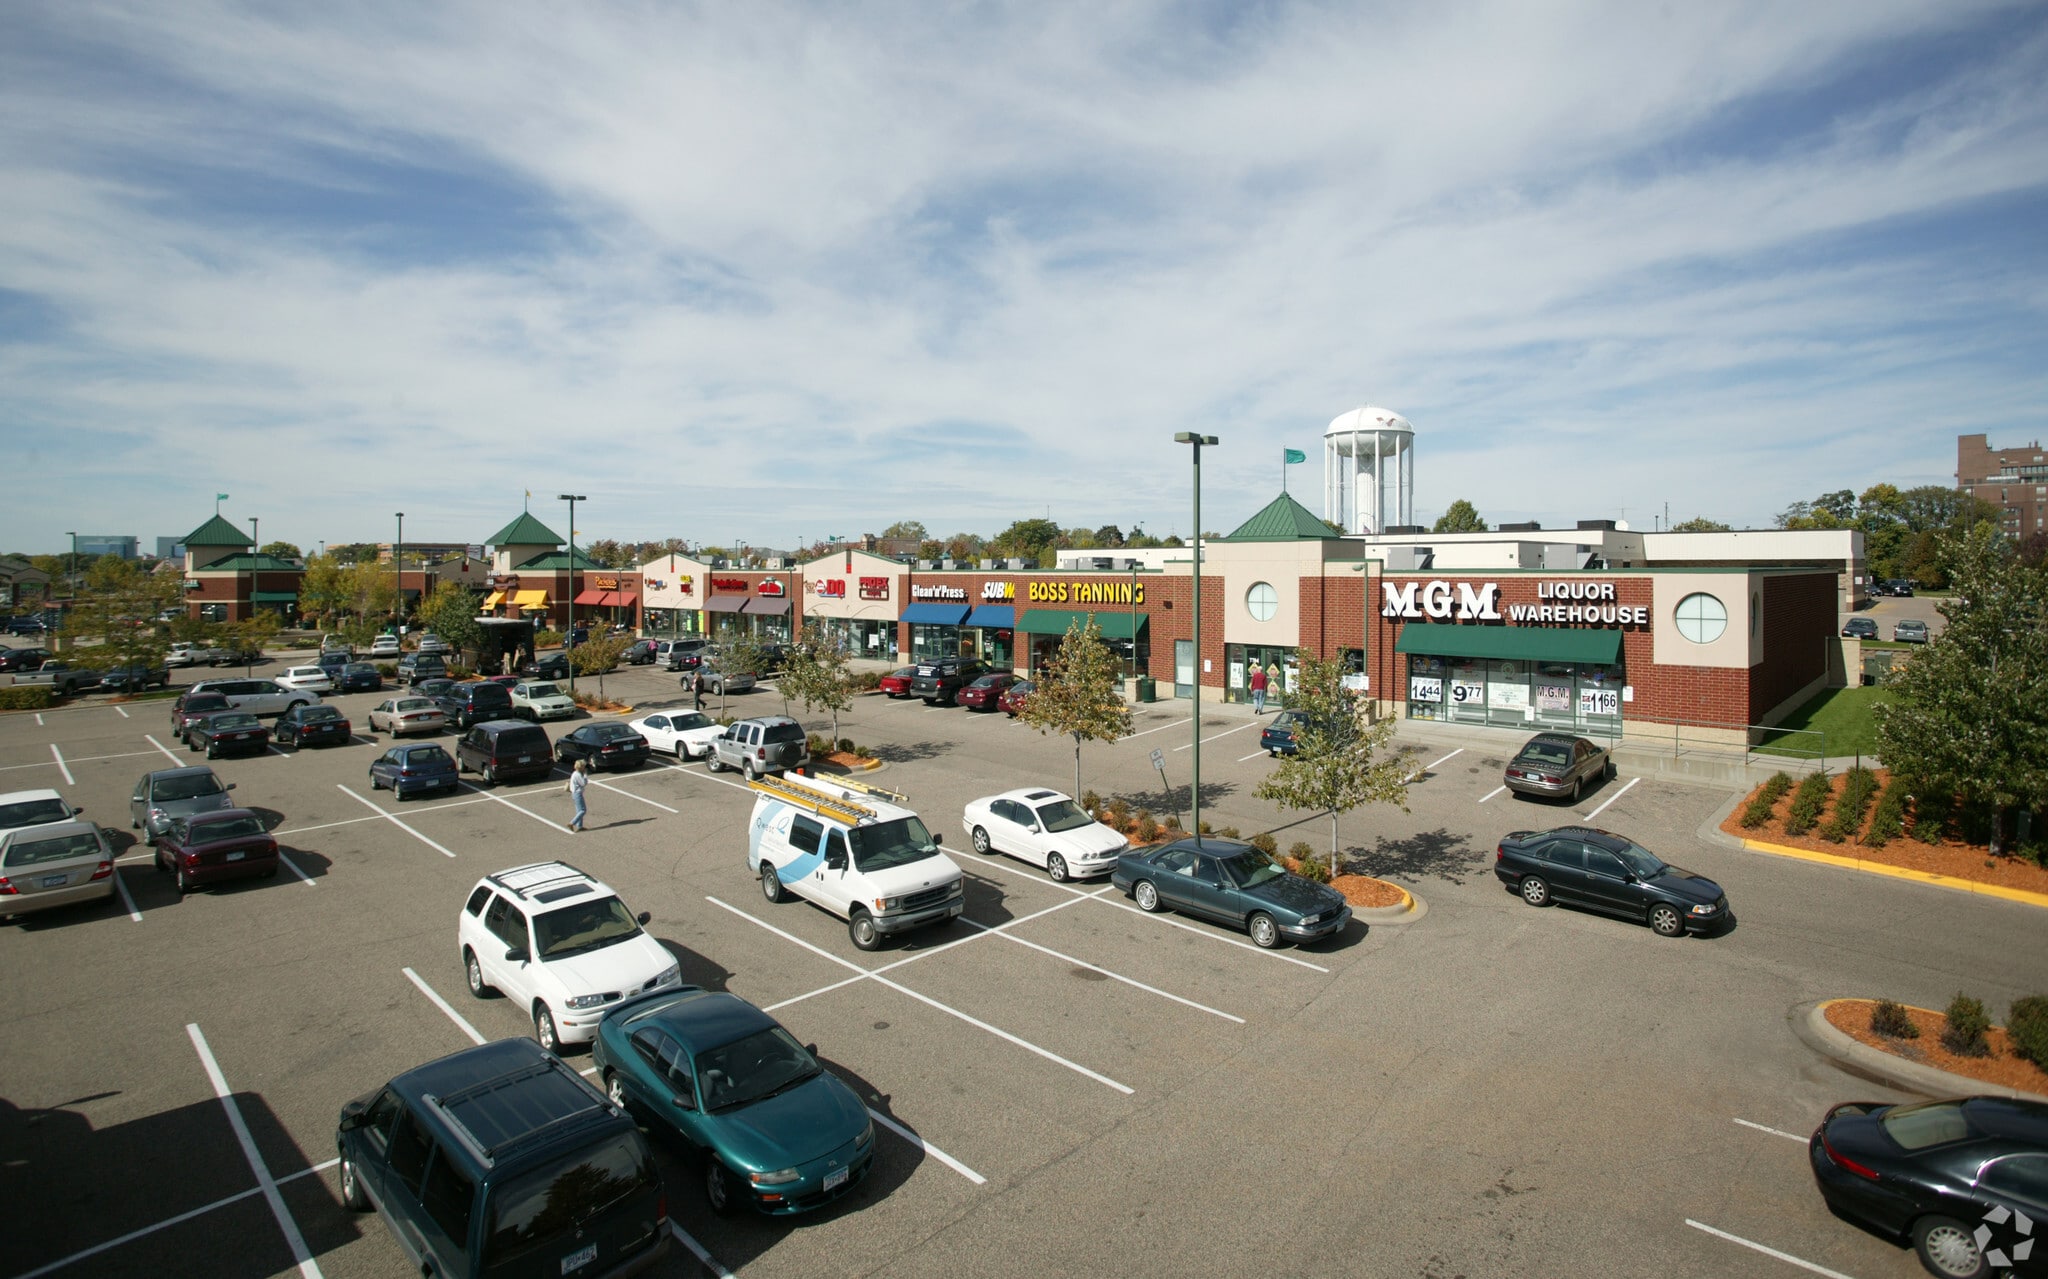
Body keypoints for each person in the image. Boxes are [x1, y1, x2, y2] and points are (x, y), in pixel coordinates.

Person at [566, 759, 588, 832]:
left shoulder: (575, 773)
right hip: (577, 794)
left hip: (574, 793)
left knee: (579, 810)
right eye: (584, 766)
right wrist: (585, 775)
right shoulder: (578, 774)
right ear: (581, 767)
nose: (585, 767)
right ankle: (572, 823)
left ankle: (580, 826)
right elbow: (583, 783)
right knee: (583, 810)